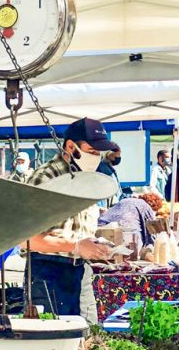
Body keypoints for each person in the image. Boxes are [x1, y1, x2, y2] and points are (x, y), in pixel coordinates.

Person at [24, 118, 116, 317]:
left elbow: (78, 231)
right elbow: (25, 239)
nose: (96, 157)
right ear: (70, 147)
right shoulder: (46, 178)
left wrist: (95, 246)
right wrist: (76, 246)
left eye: (98, 153)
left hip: (79, 272)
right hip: (47, 272)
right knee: (51, 341)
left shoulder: (86, 177)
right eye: (91, 151)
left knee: (82, 339)